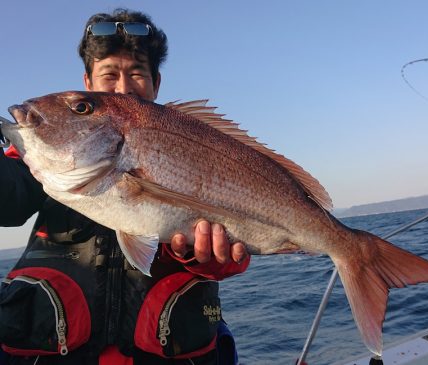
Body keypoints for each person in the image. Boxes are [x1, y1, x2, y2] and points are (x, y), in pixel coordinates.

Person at [0, 8, 249, 365]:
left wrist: (210, 259)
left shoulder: (194, 140)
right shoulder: (41, 162)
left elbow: (237, 248)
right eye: (109, 75)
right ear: (88, 82)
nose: (124, 86)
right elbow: (7, 197)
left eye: (137, 73)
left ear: (156, 84)